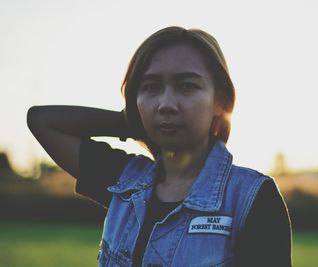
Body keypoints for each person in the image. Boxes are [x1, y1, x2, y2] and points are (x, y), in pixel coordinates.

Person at [27, 26, 292, 266]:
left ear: (220, 101)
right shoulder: (123, 180)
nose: (166, 104)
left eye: (186, 86)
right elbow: (42, 121)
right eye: (151, 87)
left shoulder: (252, 197)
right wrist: (130, 120)